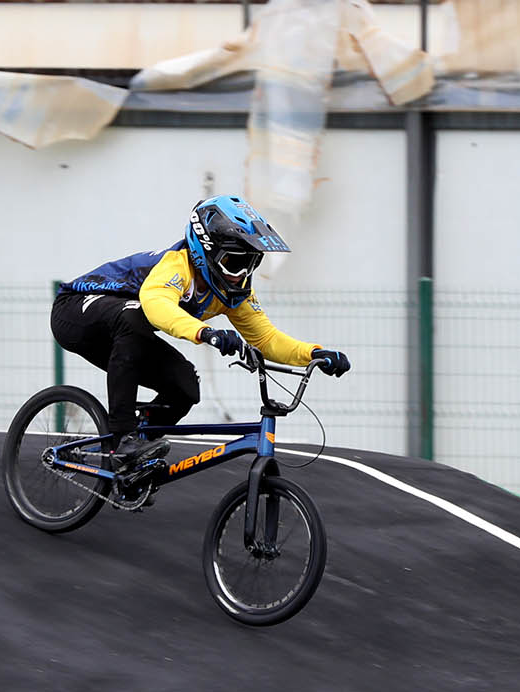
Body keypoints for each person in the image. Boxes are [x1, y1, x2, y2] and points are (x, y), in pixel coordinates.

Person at [51, 195, 351, 489]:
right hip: (75, 312)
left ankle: (137, 458)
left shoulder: (235, 293)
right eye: (234, 263)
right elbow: (156, 305)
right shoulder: (177, 265)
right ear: (204, 252)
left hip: (124, 337)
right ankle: (122, 440)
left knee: (185, 387)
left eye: (251, 264)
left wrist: (314, 353)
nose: (241, 275)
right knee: (133, 317)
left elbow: (267, 339)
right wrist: (205, 333)